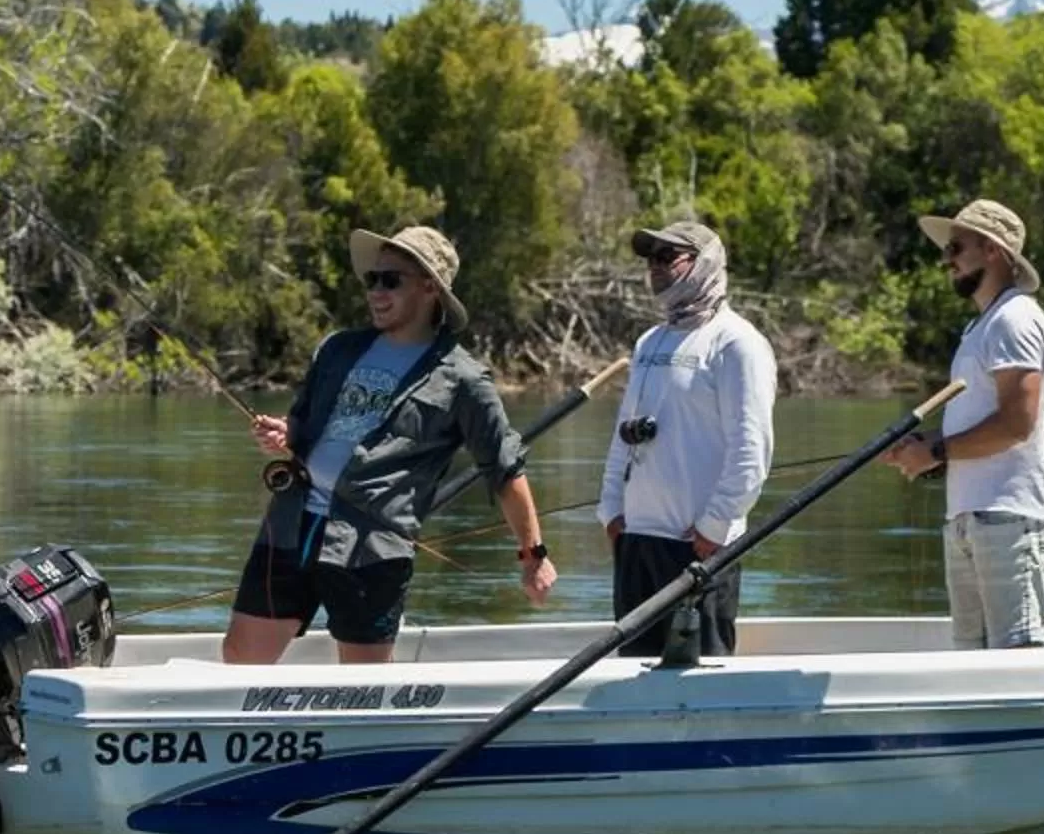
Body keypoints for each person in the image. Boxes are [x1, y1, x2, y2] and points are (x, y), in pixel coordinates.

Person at [226, 225, 556, 665]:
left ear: (429, 287)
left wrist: (533, 555)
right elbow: (303, 424)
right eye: (372, 280)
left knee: (364, 684)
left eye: (390, 280)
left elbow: (505, 469)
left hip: (372, 548)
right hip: (290, 525)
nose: (376, 292)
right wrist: (284, 434)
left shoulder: (463, 379)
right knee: (240, 658)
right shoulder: (337, 349)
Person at [883, 198, 1044, 648]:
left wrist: (936, 452)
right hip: (968, 518)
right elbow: (982, 419)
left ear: (993, 250)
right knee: (970, 663)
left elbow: (1016, 424)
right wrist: (924, 446)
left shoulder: (1014, 319)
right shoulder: (982, 326)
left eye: (956, 248)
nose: (947, 260)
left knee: (1014, 660)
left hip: (1008, 517)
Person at [599, 221, 778, 656]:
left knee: (699, 676)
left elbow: (751, 448)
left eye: (668, 257)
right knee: (633, 676)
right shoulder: (649, 342)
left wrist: (715, 526)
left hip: (699, 549)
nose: (655, 267)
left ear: (706, 263)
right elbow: (624, 433)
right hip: (636, 543)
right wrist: (611, 512)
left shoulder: (737, 343)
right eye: (650, 259)